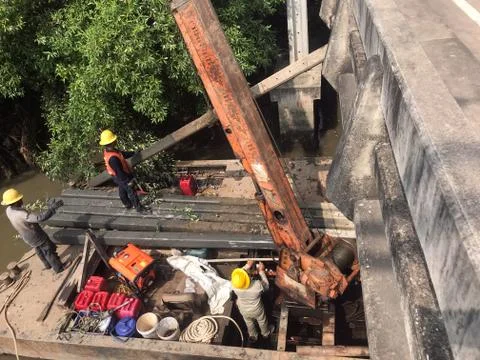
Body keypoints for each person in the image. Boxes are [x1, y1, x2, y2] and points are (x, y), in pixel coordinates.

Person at [2, 188, 67, 273]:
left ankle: (47, 265)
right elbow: (40, 218)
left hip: (26, 237)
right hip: (36, 236)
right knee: (48, 250)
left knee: (39, 250)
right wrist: (52, 209)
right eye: (19, 199)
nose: (21, 200)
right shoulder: (22, 214)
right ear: (16, 202)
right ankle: (59, 268)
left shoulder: (8, 210)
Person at [99, 129, 148, 213]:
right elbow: (119, 172)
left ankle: (127, 204)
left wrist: (134, 153)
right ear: (111, 142)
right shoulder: (113, 158)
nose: (116, 141)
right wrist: (128, 181)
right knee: (131, 190)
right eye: (114, 140)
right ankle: (139, 208)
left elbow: (123, 154)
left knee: (122, 189)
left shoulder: (111, 151)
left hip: (118, 175)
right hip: (120, 176)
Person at [231, 260, 274, 343]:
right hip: (257, 310)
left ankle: (253, 336)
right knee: (262, 320)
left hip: (243, 309)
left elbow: (238, 276)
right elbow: (266, 285)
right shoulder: (257, 285)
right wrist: (261, 271)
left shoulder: (234, 285)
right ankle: (265, 333)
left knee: (249, 322)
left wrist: (247, 265)